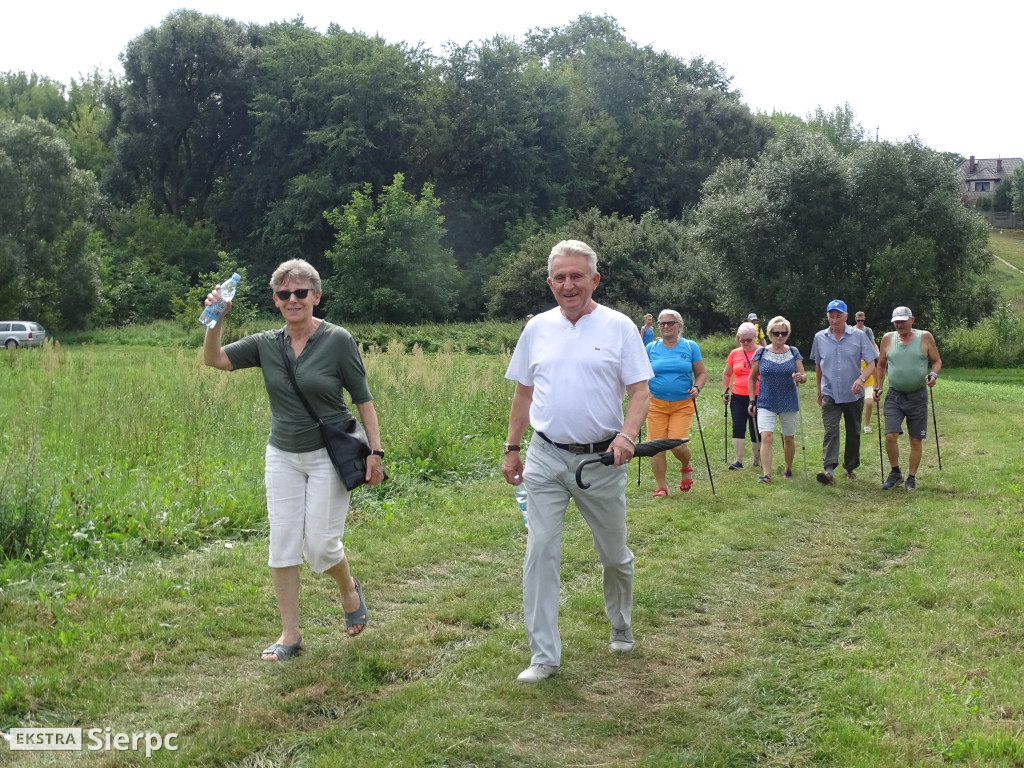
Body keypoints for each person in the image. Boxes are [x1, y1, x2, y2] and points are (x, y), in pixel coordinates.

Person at [203, 259, 385, 661]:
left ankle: (347, 588)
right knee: (283, 544)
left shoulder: (338, 340)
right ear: (275, 300)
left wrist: (376, 452)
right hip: (282, 455)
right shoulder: (266, 344)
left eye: (301, 292)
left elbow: (363, 399)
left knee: (320, 547)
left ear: (316, 297)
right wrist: (216, 319)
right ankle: (290, 634)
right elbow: (213, 360)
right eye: (284, 294)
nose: (293, 300)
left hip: (327, 455)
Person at [502, 240, 652, 684]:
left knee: (613, 555)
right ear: (550, 283)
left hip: (601, 461)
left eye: (577, 276)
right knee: (541, 551)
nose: (569, 285)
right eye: (560, 278)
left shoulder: (619, 327)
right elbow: (523, 393)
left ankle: (620, 624)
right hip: (545, 457)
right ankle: (543, 656)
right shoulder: (537, 329)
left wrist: (627, 435)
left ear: (594, 280)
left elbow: (639, 392)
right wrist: (512, 448)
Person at [872, 306, 942, 491]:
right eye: (896, 321)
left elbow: (937, 361)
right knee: (890, 435)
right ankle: (895, 473)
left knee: (915, 439)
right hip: (894, 395)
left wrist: (933, 375)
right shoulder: (888, 338)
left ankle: (911, 477)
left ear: (912, 320)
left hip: (917, 395)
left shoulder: (924, 337)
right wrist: (878, 386)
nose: (899, 324)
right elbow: (881, 364)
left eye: (903, 320)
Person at [808, 299, 877, 485]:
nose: (835, 319)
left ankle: (850, 467)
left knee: (853, 431)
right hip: (830, 392)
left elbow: (872, 363)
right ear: (828, 317)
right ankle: (829, 470)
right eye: (832, 316)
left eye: (839, 316)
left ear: (846, 317)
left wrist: (861, 380)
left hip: (853, 394)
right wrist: (819, 391)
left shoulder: (859, 336)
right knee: (831, 431)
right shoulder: (819, 337)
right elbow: (818, 366)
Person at [644, 309, 707, 497]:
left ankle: (686, 466)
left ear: (679, 325)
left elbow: (701, 373)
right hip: (655, 404)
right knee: (655, 447)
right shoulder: (651, 348)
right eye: (662, 323)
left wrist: (697, 387)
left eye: (670, 323)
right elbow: (640, 373)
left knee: (677, 445)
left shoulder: (689, 346)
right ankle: (661, 487)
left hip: (682, 404)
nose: (665, 326)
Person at [747, 316, 807, 483]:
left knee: (788, 437)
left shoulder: (793, 352)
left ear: (788, 334)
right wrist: (752, 401)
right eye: (776, 333)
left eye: (784, 333)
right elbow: (752, 378)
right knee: (766, 436)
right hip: (766, 400)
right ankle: (766, 474)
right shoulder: (761, 352)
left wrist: (799, 378)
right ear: (770, 333)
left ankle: (788, 468)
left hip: (788, 400)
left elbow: (804, 376)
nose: (780, 336)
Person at [721, 322, 761, 471]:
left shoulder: (762, 352)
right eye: (742, 340)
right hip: (738, 396)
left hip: (758, 395)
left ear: (755, 337)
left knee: (756, 428)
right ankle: (738, 461)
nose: (745, 343)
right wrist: (725, 391)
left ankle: (757, 460)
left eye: (748, 340)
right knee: (738, 426)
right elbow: (727, 373)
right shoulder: (735, 353)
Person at [854, 311, 880, 432]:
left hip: (867, 367)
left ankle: (866, 425)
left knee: (869, 402)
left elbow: (873, 343)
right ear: (855, 319)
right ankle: (856, 424)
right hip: (856, 364)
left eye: (862, 321)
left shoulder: (867, 330)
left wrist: (877, 353)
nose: (860, 323)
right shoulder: (851, 330)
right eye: (858, 321)